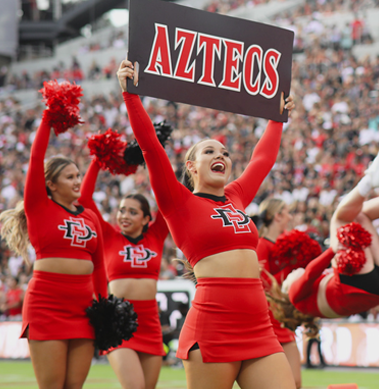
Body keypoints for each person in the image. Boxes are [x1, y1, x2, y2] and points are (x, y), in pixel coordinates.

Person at [118, 59, 297, 389]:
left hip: (259, 327)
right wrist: (131, 96)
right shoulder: (178, 202)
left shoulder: (237, 196)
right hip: (213, 327)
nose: (222, 156)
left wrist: (277, 117)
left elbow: (263, 159)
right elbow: (151, 149)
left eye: (226, 153)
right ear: (191, 166)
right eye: (210, 152)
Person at [0, 109, 107, 389]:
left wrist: (105, 305)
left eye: (78, 175)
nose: (76, 181)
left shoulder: (90, 216)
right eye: (69, 177)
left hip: (83, 307)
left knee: (74, 386)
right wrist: (49, 117)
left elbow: (100, 266)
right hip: (47, 304)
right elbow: (36, 158)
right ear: (51, 184)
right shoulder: (39, 207)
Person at [285, 148, 379, 319]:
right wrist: (332, 250)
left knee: (359, 215)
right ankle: (369, 181)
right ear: (287, 287)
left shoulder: (314, 300)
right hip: (357, 287)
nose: (292, 273)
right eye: (289, 277)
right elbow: (309, 274)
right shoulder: (294, 297)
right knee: (340, 219)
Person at [79, 157, 170, 389]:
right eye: (121, 211)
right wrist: (97, 161)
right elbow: (84, 199)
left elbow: (170, 198)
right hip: (117, 320)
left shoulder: (156, 235)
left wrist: (153, 156)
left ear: (147, 219)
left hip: (150, 321)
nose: (124, 216)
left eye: (132, 212)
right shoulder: (109, 236)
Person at [256, 198, 302, 389]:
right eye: (287, 212)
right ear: (277, 216)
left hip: (284, 317)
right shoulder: (261, 245)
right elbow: (264, 283)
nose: (290, 217)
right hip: (267, 318)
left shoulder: (289, 244)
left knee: (296, 382)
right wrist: (292, 273)